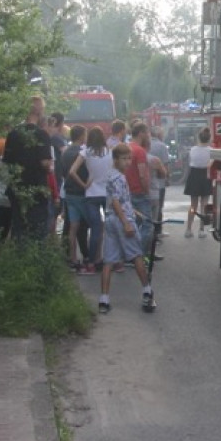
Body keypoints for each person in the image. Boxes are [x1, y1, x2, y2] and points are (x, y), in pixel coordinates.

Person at [98, 143, 156, 315]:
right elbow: (116, 201)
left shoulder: (111, 175)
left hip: (111, 219)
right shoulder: (119, 178)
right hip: (120, 221)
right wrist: (126, 222)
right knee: (137, 255)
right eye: (124, 159)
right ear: (115, 159)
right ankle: (147, 290)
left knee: (109, 260)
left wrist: (136, 213)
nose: (128, 162)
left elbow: (121, 201)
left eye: (129, 158)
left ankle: (104, 300)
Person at [2, 95, 53, 242]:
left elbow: (7, 162)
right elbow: (45, 163)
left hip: (17, 188)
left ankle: (20, 261)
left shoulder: (13, 134)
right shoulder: (42, 135)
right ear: (39, 112)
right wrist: (49, 166)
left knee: (19, 228)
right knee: (38, 229)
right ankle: (36, 261)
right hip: (36, 188)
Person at [69, 127, 112, 275]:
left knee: (95, 229)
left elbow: (72, 171)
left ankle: (92, 263)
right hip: (107, 193)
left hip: (91, 193)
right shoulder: (109, 152)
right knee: (111, 228)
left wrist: (84, 184)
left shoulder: (85, 152)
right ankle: (113, 259)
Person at [61, 125, 89, 272]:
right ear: (81, 136)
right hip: (80, 192)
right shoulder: (82, 153)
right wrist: (85, 185)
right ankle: (86, 255)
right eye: (85, 134)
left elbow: (63, 172)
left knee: (72, 226)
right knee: (83, 226)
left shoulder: (65, 152)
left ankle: (72, 258)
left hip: (68, 192)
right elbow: (85, 171)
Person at [124, 121, 155, 257]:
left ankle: (129, 253)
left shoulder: (125, 148)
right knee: (148, 225)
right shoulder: (139, 151)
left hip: (126, 192)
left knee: (133, 224)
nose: (149, 135)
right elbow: (142, 174)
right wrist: (146, 191)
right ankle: (139, 254)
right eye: (147, 132)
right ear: (141, 133)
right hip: (139, 192)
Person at [184, 127, 213, 239]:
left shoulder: (193, 149)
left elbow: (190, 163)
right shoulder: (211, 151)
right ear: (209, 138)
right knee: (204, 205)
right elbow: (211, 164)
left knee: (193, 205)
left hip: (194, 176)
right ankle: (201, 230)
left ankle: (188, 229)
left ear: (198, 137)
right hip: (205, 176)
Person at [147, 126, 171, 228]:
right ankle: (158, 230)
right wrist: (167, 178)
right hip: (159, 182)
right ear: (159, 134)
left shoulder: (146, 145)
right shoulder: (162, 146)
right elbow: (165, 165)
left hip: (147, 182)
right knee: (159, 207)